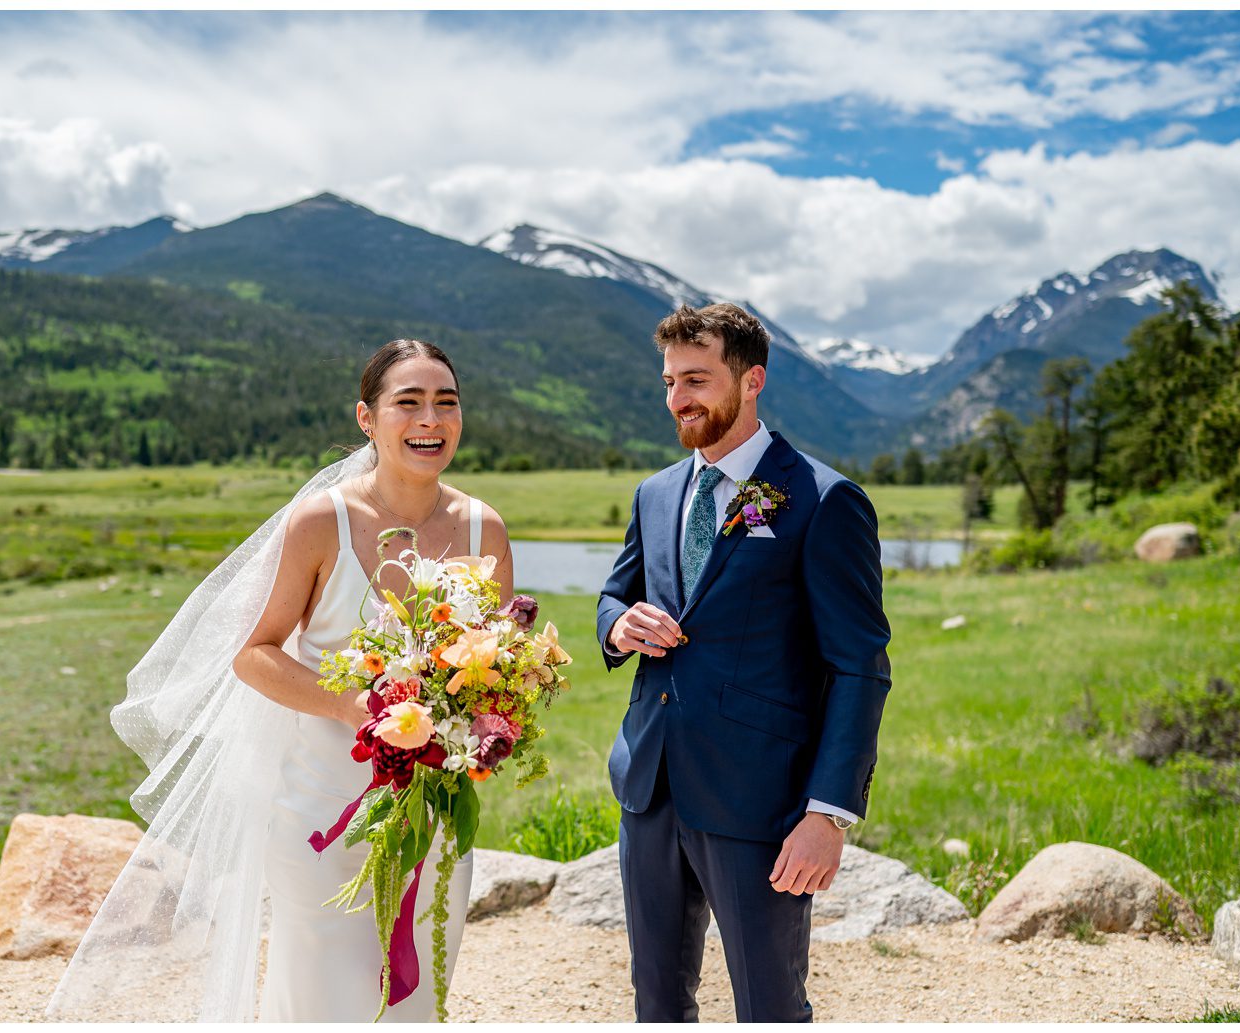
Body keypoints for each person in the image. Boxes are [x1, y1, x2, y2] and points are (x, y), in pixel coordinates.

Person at [47, 338, 511, 1022]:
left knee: (419, 997)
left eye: (446, 403)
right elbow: (254, 652)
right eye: (406, 402)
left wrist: (488, 715)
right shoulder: (321, 519)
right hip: (321, 808)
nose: (430, 420)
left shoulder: (484, 528)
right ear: (366, 417)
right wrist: (347, 703)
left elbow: (497, 668)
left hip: (435, 814)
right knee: (327, 996)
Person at [597, 303, 891, 1022]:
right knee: (656, 999)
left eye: (695, 379)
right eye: (668, 381)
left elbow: (859, 666)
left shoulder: (824, 501)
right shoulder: (656, 491)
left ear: (751, 379)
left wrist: (828, 812)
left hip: (760, 798)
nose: (677, 399)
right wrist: (619, 625)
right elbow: (614, 595)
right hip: (650, 782)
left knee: (768, 1003)